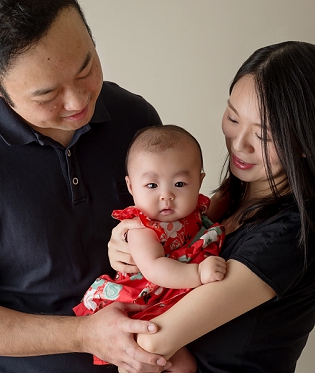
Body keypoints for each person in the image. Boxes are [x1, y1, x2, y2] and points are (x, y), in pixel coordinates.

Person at [0, 1, 176, 372]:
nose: (78, 100)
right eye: (47, 95)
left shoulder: (136, 118)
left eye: (86, 68)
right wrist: (84, 334)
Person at [108, 41, 315, 373]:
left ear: (305, 142)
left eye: (264, 136)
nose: (239, 144)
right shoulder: (233, 197)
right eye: (233, 117)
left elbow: (153, 342)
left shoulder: (290, 236)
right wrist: (126, 239)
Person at [73, 125, 226, 365]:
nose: (166, 195)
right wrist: (198, 272)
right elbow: (154, 267)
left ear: (199, 181)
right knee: (177, 363)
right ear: (131, 187)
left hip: (178, 297)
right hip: (148, 301)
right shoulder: (141, 228)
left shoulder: (197, 213)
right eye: (152, 186)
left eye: (179, 184)